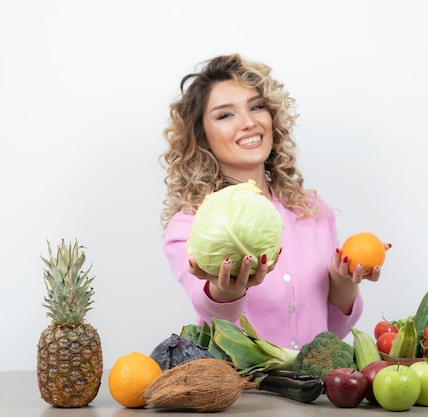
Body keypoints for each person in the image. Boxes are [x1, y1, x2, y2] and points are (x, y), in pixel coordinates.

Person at [160, 53, 389, 350]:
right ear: (202, 136)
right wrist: (224, 291)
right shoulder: (189, 225)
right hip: (241, 391)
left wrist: (342, 281)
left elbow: (330, 334)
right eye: (225, 115)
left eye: (256, 107)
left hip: (312, 389)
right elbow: (213, 317)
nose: (249, 122)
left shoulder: (312, 211)